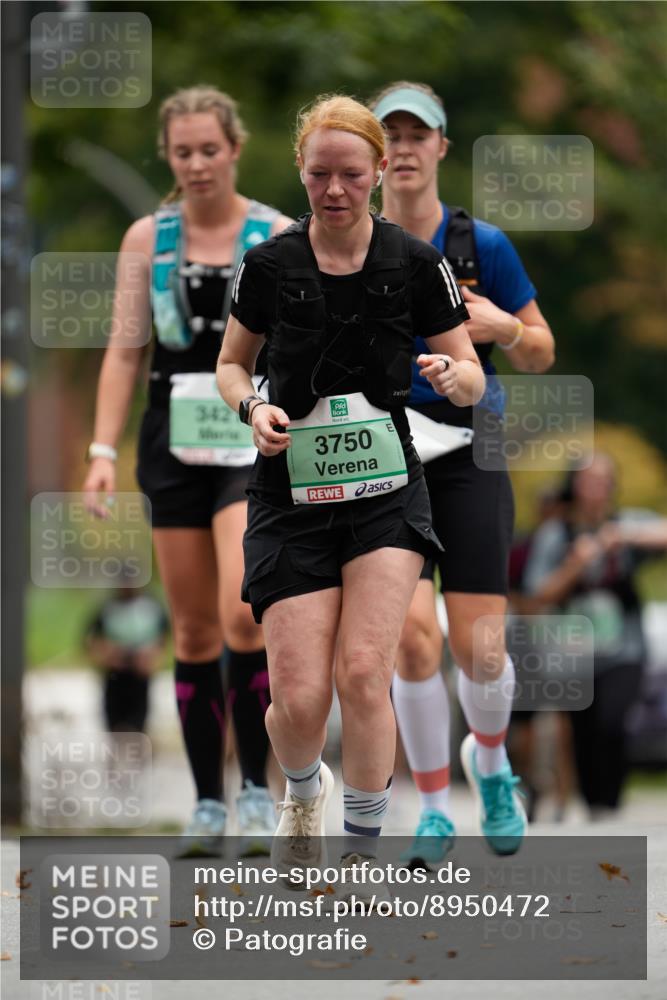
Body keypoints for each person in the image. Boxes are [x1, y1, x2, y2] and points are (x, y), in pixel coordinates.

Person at [217, 94, 482, 885]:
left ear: (376, 175)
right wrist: (254, 406)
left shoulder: (412, 261)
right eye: (319, 175)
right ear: (300, 171)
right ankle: (302, 793)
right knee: (298, 699)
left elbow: (467, 374)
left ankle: (362, 851)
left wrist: (451, 374)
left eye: (351, 176)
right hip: (289, 496)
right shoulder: (268, 263)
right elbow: (232, 364)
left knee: (364, 671)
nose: (334, 191)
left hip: (384, 491)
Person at [83, 86, 292, 856]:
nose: (197, 163)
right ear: (168, 158)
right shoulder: (147, 238)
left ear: (234, 148)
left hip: (251, 443)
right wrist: (100, 453)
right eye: (182, 153)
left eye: (210, 149)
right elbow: (124, 352)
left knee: (244, 615)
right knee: (197, 627)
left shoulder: (274, 234)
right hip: (171, 443)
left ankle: (257, 791)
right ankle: (208, 802)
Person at [370, 81, 555, 861]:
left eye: (419, 135)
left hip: (471, 447)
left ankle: (492, 763)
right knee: (411, 641)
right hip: (386, 451)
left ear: (442, 147)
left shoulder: (482, 246)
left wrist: (500, 325)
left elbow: (542, 350)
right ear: (372, 157)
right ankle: (436, 808)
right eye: (391, 137)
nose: (405, 149)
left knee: (478, 648)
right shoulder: (348, 243)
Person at [522, 454, 667, 817]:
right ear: (575, 485)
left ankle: (610, 801)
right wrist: (575, 565)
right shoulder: (556, 533)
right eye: (589, 479)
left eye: (603, 479)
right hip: (573, 650)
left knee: (613, 720)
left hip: (625, 647)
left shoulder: (624, 524)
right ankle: (595, 807)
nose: (596, 487)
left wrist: (622, 536)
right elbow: (538, 592)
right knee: (583, 729)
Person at [85, 576, 169, 734]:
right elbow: (90, 639)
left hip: (140, 669)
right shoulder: (108, 608)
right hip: (115, 670)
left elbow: (164, 637)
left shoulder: (151, 607)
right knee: (114, 710)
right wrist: (107, 653)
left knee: (139, 711)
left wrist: (152, 655)